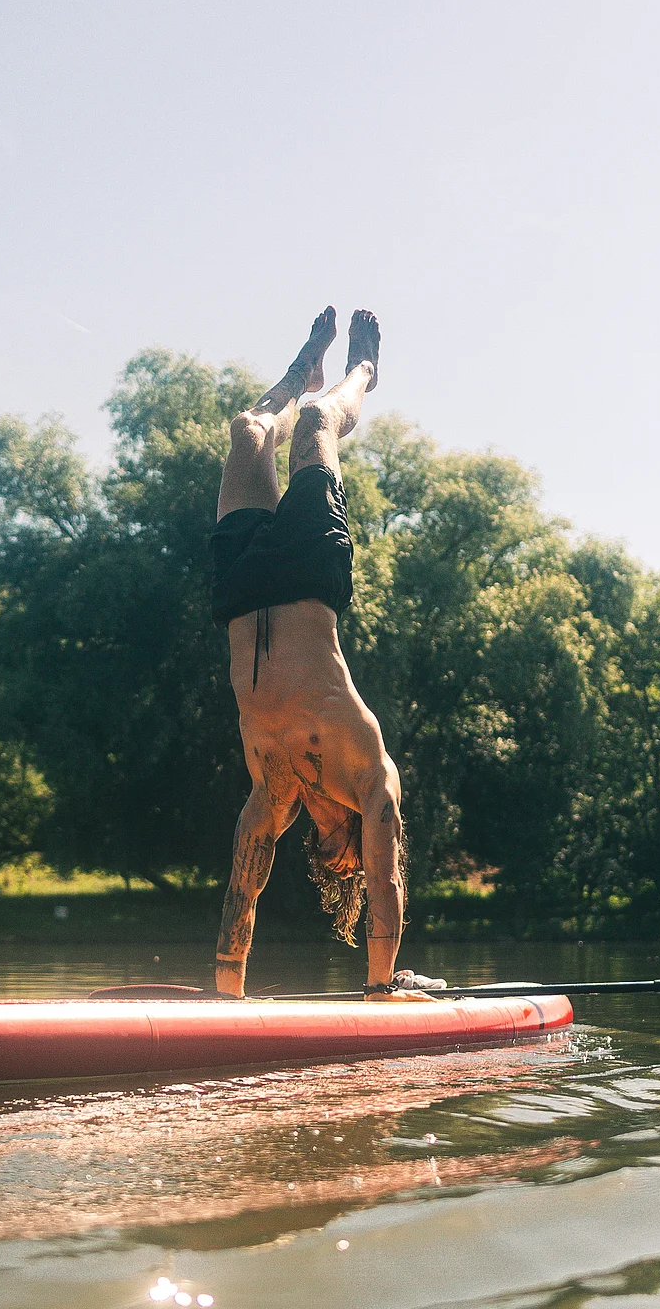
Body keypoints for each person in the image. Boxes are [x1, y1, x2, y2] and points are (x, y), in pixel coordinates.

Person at [209, 306, 424, 999]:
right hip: (308, 573)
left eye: (334, 867)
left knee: (247, 431)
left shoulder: (274, 793)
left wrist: (226, 997)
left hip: (241, 594)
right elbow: (388, 883)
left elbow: (244, 886)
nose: (341, 863)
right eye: (349, 866)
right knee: (311, 425)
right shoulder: (372, 780)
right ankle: (357, 372)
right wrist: (382, 987)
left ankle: (314, 374)